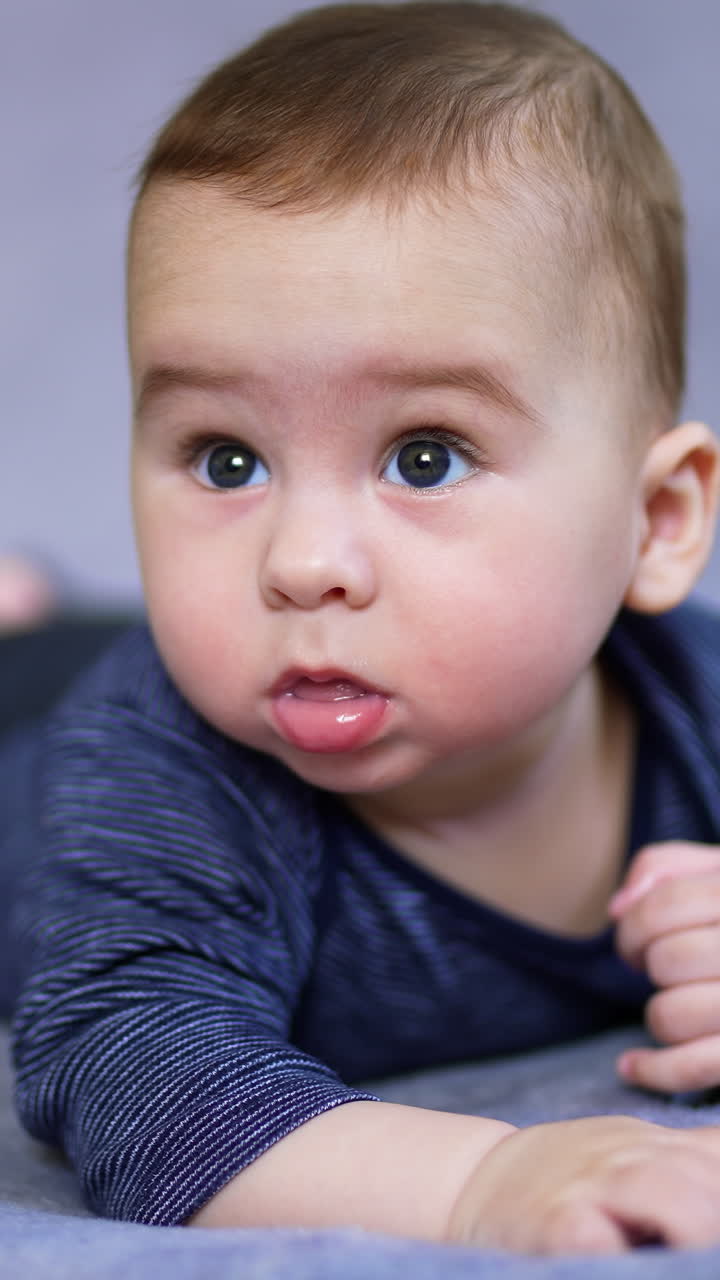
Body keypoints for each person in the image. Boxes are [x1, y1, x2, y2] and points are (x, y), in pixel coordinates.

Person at [5, 0, 720, 1255]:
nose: (303, 562)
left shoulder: (692, 697)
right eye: (226, 458)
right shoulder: (164, 768)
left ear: (655, 520)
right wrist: (482, 1181)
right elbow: (131, 1065)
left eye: (424, 455)